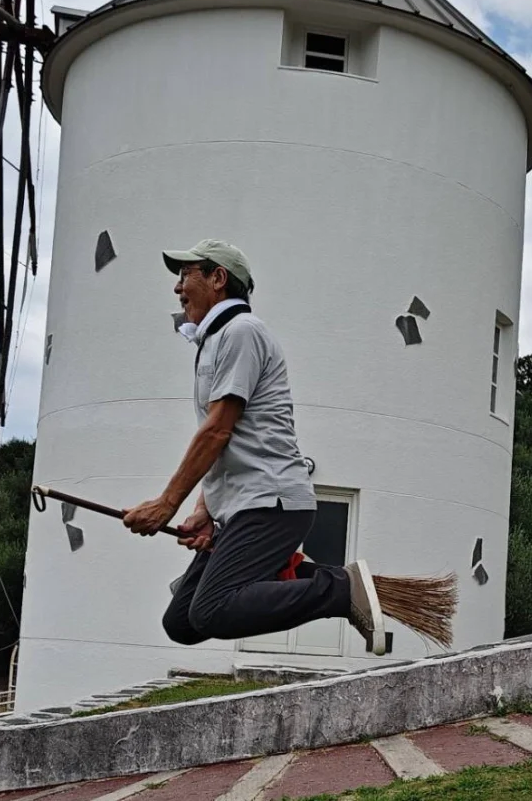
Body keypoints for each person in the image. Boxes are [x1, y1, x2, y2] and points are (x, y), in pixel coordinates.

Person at [122, 239, 386, 655]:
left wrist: (166, 505)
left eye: (186, 275)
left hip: (271, 503)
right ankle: (307, 577)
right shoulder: (217, 340)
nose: (177, 287)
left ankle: (341, 589)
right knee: (182, 621)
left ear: (218, 278)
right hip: (246, 503)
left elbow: (216, 432)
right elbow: (227, 442)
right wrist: (202, 512)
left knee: (211, 612)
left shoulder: (240, 333)